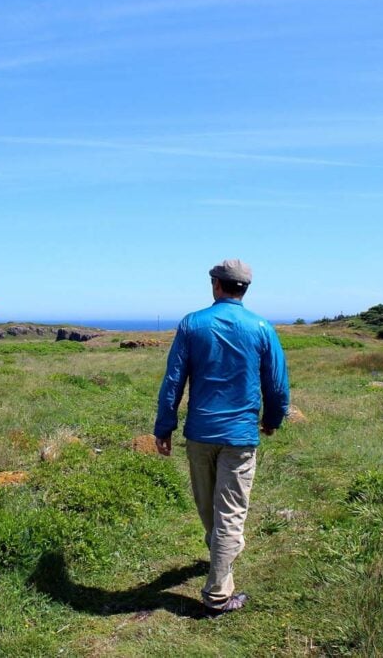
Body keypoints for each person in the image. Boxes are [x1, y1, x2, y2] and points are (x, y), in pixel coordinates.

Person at [153, 259, 289, 615]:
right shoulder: (261, 327)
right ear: (244, 288)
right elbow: (276, 384)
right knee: (228, 514)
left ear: (216, 284)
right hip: (240, 436)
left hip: (199, 434)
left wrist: (164, 426)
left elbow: (173, 381)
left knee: (210, 511)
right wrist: (272, 419)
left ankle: (216, 589)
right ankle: (220, 580)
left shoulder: (192, 324)